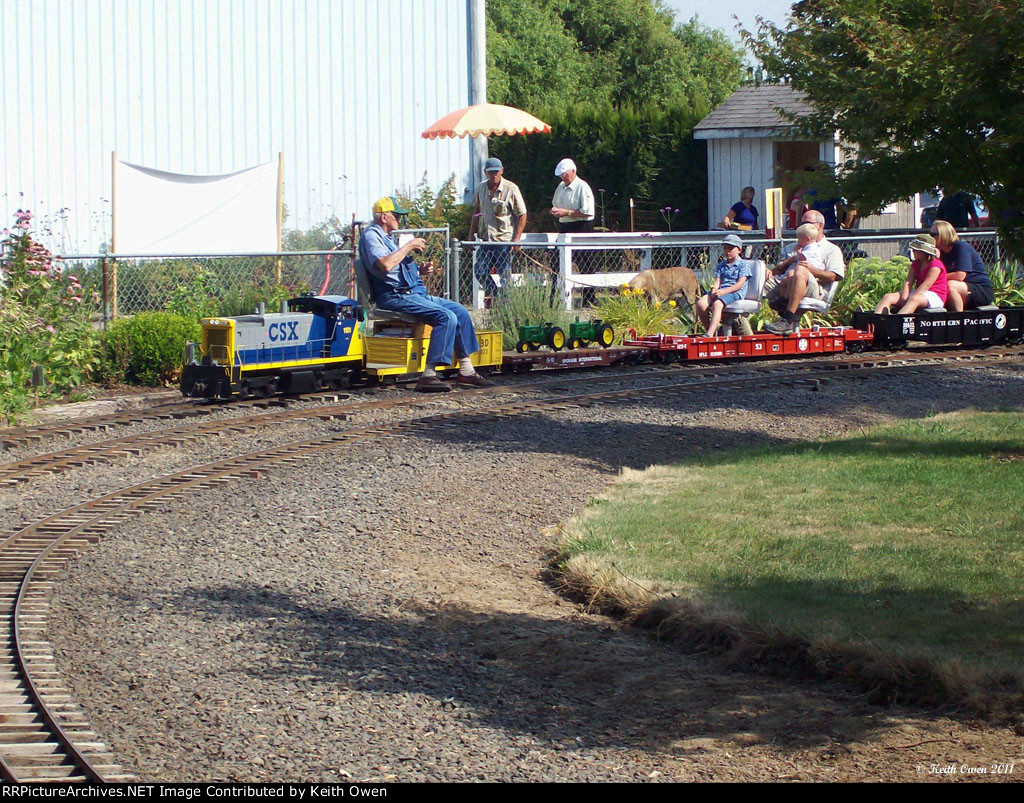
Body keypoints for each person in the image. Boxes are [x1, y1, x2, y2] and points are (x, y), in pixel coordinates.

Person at [358, 196, 492, 393]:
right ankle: (428, 375)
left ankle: (466, 371)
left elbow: (395, 268)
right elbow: (385, 265)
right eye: (396, 216)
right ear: (384, 217)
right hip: (394, 296)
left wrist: (419, 271)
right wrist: (409, 246)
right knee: (445, 316)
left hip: (412, 293)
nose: (399, 219)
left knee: (460, 311)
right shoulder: (372, 236)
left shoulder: (387, 238)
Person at [764, 209, 846, 335]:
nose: (803, 226)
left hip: (815, 286)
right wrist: (769, 272)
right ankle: (738, 323)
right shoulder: (791, 247)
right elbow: (778, 270)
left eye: (808, 223)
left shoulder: (831, 249)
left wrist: (812, 270)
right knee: (755, 279)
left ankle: (787, 319)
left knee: (800, 270)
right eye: (802, 223)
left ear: (820, 226)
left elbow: (835, 276)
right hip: (785, 280)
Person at [471, 157, 527, 297]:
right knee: (480, 271)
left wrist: (517, 238)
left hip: (504, 241)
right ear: (485, 172)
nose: (494, 175)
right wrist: (471, 234)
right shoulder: (481, 188)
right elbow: (476, 211)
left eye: (496, 172)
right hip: (486, 240)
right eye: (491, 172)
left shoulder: (511, 188)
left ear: (502, 171)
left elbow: (522, 214)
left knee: (504, 275)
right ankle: (496, 295)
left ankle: (506, 303)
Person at [874, 234, 947, 314]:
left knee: (914, 299)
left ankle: (898, 319)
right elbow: (908, 282)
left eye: (916, 250)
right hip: (920, 293)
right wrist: (904, 298)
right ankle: (876, 318)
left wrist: (910, 299)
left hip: (935, 296)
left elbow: (926, 285)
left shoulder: (936, 265)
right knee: (887, 297)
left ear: (924, 252)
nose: (913, 251)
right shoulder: (916, 264)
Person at [931, 220, 994, 311]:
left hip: (980, 289)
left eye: (933, 234)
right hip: (963, 287)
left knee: (950, 285)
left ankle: (959, 317)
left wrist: (937, 277)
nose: (930, 237)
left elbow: (960, 276)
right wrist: (936, 259)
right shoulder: (940, 252)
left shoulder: (961, 247)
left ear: (943, 235)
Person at [697, 234, 752, 338]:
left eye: (730, 248)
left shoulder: (743, 265)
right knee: (701, 303)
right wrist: (714, 289)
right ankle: (710, 331)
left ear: (739, 250)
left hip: (735, 293)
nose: (727, 251)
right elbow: (717, 280)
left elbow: (740, 284)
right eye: (725, 248)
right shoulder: (721, 265)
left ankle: (709, 334)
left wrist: (724, 291)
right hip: (721, 291)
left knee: (717, 304)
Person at [550, 158, 595, 233]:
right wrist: (554, 210)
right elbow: (555, 204)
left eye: (565, 174)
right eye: (561, 176)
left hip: (581, 227)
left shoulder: (583, 186)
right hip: (564, 227)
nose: (563, 178)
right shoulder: (561, 186)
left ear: (573, 171)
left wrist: (567, 212)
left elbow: (588, 213)